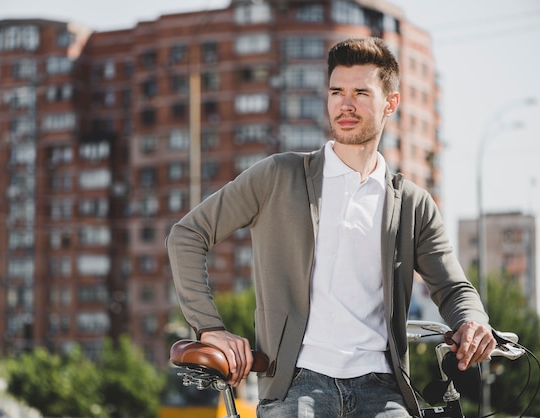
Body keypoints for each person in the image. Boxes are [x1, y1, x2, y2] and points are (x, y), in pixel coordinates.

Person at [166, 37, 496, 417]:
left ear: (391, 103)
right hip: (297, 385)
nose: (346, 104)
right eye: (336, 91)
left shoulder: (412, 203)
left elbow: (453, 287)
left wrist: (473, 321)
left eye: (361, 92)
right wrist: (209, 327)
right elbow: (187, 235)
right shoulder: (279, 176)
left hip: (383, 388)